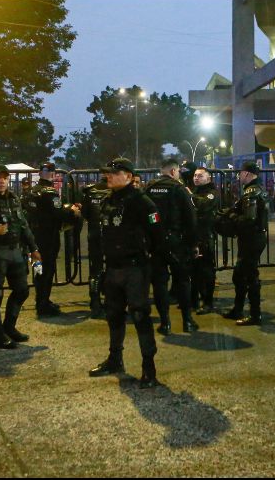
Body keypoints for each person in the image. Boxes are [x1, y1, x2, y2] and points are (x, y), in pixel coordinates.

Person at [88, 157, 168, 388]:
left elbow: (157, 236)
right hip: (113, 267)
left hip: (135, 268)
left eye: (115, 173)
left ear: (130, 177)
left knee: (140, 315)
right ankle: (115, 360)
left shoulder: (142, 202)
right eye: (108, 173)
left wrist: (152, 264)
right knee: (113, 315)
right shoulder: (107, 200)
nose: (109, 176)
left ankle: (149, 368)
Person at [0, 164, 41, 346]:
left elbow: (23, 225)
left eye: (5, 178)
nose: (1, 181)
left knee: (22, 290)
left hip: (15, 250)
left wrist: (33, 248)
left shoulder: (14, 198)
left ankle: (9, 327)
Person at [145, 158, 198, 334]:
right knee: (183, 281)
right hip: (177, 242)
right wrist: (193, 244)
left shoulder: (149, 187)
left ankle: (165, 323)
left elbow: (144, 215)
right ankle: (187, 321)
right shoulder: (178, 188)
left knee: (159, 283)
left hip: (155, 242)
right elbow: (191, 217)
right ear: (174, 172)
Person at [23, 162, 81, 317]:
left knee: (38, 270)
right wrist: (72, 211)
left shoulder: (31, 192)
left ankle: (40, 301)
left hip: (33, 238)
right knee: (47, 271)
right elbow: (59, 213)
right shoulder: (51, 192)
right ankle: (43, 304)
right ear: (54, 175)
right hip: (48, 237)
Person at [221, 161, 269, 326]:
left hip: (251, 239)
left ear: (247, 174)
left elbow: (248, 219)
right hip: (253, 238)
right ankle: (238, 309)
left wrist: (232, 217)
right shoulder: (257, 189)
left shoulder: (252, 192)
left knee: (249, 276)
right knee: (240, 275)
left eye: (241, 173)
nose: (239, 176)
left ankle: (255, 315)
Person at [80, 171, 111, 318]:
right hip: (111, 233)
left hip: (94, 233)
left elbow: (84, 213)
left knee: (95, 269)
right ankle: (111, 301)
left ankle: (95, 303)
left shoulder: (90, 192)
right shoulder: (114, 191)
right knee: (112, 267)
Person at [191, 167, 220, 314]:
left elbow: (204, 205)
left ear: (208, 178)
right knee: (194, 270)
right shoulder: (195, 192)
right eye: (195, 175)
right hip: (193, 236)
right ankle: (194, 300)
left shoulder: (212, 193)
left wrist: (190, 197)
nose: (196, 178)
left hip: (205, 236)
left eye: (200, 176)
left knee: (206, 270)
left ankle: (207, 302)